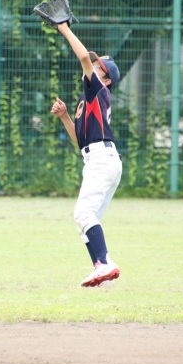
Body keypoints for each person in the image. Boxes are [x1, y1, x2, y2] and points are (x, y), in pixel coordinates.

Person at [50, 21, 123, 288]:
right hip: (100, 158)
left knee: (83, 214)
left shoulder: (98, 90)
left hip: (102, 160)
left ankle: (104, 264)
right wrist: (65, 117)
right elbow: (81, 142)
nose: (91, 65)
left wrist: (64, 28)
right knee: (87, 221)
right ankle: (103, 275)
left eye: (97, 66)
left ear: (106, 79)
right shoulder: (88, 99)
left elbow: (82, 56)